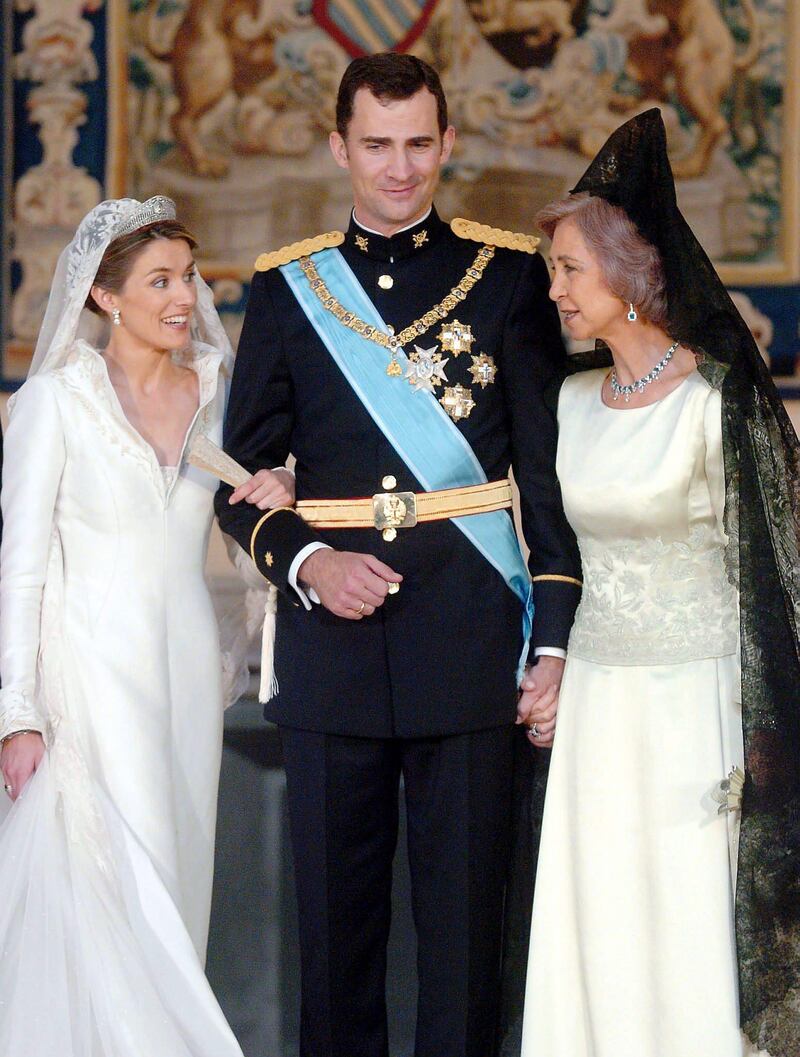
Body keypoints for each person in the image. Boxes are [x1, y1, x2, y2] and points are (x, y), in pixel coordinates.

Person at [215, 53, 582, 1057]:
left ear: (447, 142)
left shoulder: (508, 280)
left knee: (465, 948)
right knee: (335, 949)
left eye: (418, 143)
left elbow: (543, 485)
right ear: (339, 147)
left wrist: (548, 639)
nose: (398, 169)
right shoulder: (288, 291)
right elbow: (233, 481)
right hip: (331, 652)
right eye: (375, 145)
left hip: (468, 642)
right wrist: (308, 561)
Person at [510, 110, 799, 1057]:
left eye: (568, 270)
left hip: (696, 702)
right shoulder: (568, 400)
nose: (553, 288)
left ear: (629, 277)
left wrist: (765, 736)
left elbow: (774, 571)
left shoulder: (720, 401)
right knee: (602, 907)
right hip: (601, 698)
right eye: (553, 270)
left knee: (685, 910)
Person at [0, 196, 293, 1057]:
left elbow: (252, 506)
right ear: (104, 297)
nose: (182, 296)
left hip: (191, 671)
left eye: (188, 276)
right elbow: (17, 564)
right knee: (116, 888)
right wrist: (17, 708)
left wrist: (281, 487)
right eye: (159, 280)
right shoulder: (54, 402)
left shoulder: (218, 390)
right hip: (89, 668)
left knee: (178, 876)